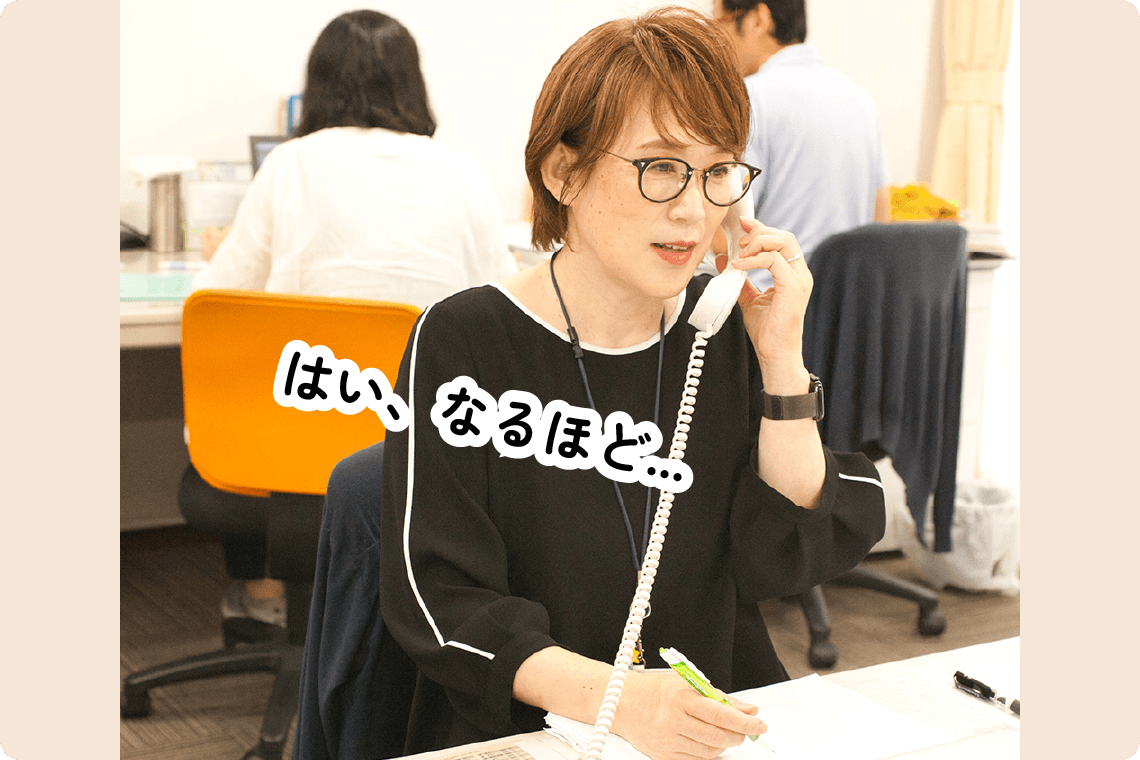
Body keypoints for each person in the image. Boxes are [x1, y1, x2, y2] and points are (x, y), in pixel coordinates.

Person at [377, 7, 886, 758]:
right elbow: (440, 601)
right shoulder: (464, 340)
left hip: (712, 722)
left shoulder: (718, 331)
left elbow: (789, 552)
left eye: (718, 171)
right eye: (661, 167)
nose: (694, 208)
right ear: (564, 173)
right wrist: (619, 700)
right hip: (532, 728)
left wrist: (780, 358)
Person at [181, 10, 518, 631]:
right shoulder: (462, 173)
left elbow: (212, 301)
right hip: (428, 448)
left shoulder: (290, 165)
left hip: (292, 444)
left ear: (318, 85)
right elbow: (502, 307)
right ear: (413, 84)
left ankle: (263, 596)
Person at [712, 0, 890, 289]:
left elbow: (724, 228)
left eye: (719, 24)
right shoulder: (860, 100)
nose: (717, 43)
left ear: (758, 19)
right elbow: (881, 216)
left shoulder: (750, 97)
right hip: (849, 305)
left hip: (772, 299)